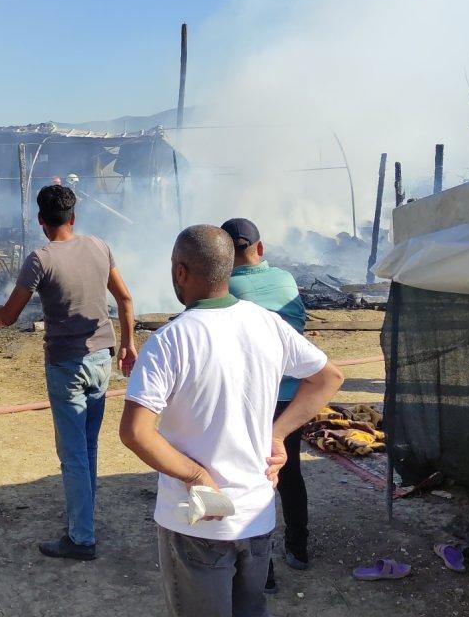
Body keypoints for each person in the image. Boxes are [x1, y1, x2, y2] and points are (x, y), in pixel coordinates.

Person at [120, 225, 344, 617]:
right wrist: (278, 434)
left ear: (180, 273)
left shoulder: (169, 341)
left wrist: (195, 476)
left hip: (196, 523)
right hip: (256, 515)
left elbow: (136, 433)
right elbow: (329, 378)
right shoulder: (267, 323)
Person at [0, 184, 136, 560]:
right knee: (87, 446)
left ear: (41, 221)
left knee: (73, 454)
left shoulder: (40, 258)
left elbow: (9, 315)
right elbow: (125, 299)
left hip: (66, 365)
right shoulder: (100, 246)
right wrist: (129, 343)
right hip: (102, 357)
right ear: (74, 217)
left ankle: (82, 538)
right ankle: (82, 517)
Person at [221, 217, 312, 592]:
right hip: (295, 398)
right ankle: (299, 550)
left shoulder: (226, 288)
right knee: (289, 473)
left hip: (253, 400)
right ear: (260, 248)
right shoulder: (286, 280)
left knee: (255, 480)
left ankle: (265, 573)